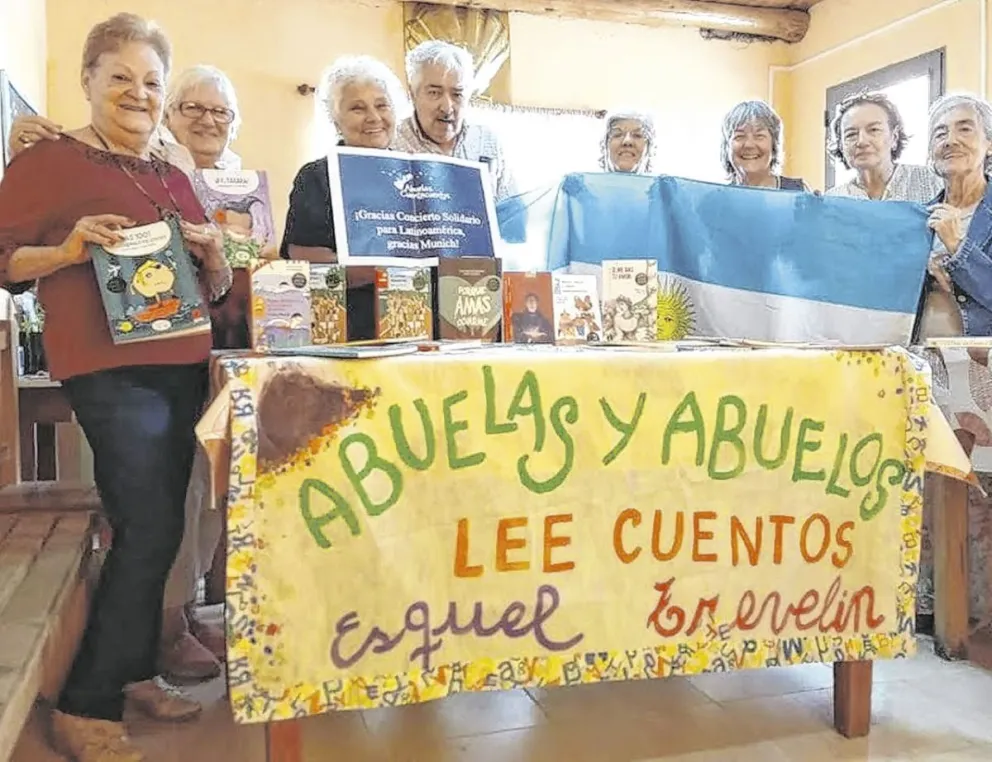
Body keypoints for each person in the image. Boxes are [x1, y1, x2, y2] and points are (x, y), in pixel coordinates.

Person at [0, 13, 233, 760]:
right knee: (148, 526)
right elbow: (6, 260)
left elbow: (213, 286)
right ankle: (86, 703)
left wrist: (215, 255)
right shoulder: (48, 160)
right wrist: (68, 250)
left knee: (158, 529)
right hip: (106, 367)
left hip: (182, 366)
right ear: (88, 80)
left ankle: (131, 672)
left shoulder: (171, 175)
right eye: (121, 76)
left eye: (151, 81)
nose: (138, 92)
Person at [916, 92, 992, 640]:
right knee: (934, 490)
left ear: (988, 143)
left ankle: (982, 612)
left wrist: (960, 250)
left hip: (985, 373)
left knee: (984, 495)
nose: (951, 140)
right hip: (929, 368)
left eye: (965, 128)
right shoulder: (917, 215)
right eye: (940, 132)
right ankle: (938, 607)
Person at [280, 55, 406, 261]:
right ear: (335, 120)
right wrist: (372, 268)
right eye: (358, 108)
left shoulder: (415, 172)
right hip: (346, 283)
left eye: (382, 105)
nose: (374, 117)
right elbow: (301, 252)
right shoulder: (317, 176)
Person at [393, 39, 516, 201]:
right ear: (412, 94)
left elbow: (512, 208)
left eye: (457, 94)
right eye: (434, 93)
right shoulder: (392, 144)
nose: (447, 108)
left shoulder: (487, 142)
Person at [826, 90, 941, 202]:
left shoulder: (932, 182)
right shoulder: (832, 200)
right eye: (851, 134)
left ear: (894, 137)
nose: (862, 141)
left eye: (874, 130)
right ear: (841, 146)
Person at [720, 100, 807, 190]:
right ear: (727, 148)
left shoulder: (800, 193)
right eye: (740, 136)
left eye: (759, 136)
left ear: (774, 145)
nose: (749, 145)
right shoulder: (716, 196)